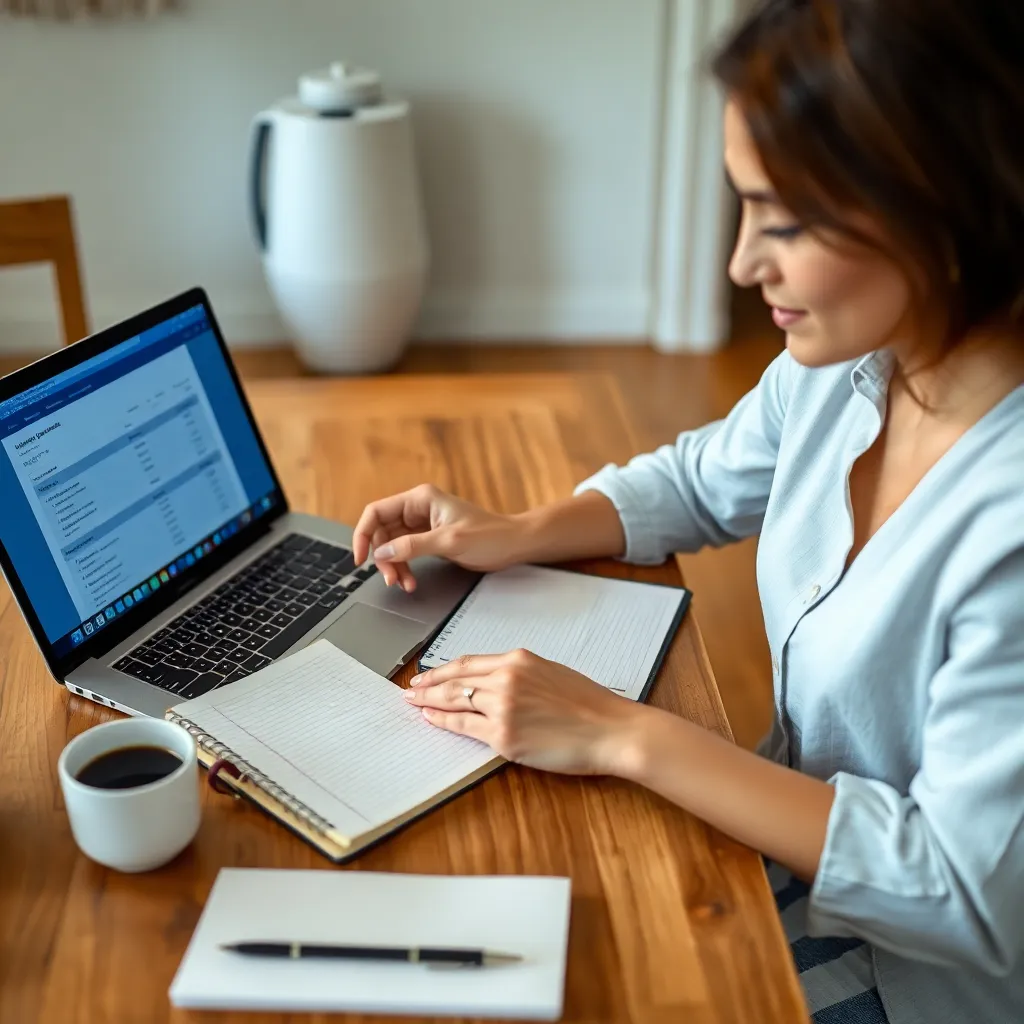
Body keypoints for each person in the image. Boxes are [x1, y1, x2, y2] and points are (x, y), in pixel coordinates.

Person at [353, 1, 1024, 1020]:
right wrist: (510, 530)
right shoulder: (861, 360)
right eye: (742, 207)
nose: (741, 263)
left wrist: (627, 734)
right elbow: (704, 479)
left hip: (919, 978)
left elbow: (963, 893)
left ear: (937, 203)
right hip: (796, 853)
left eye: (785, 221)